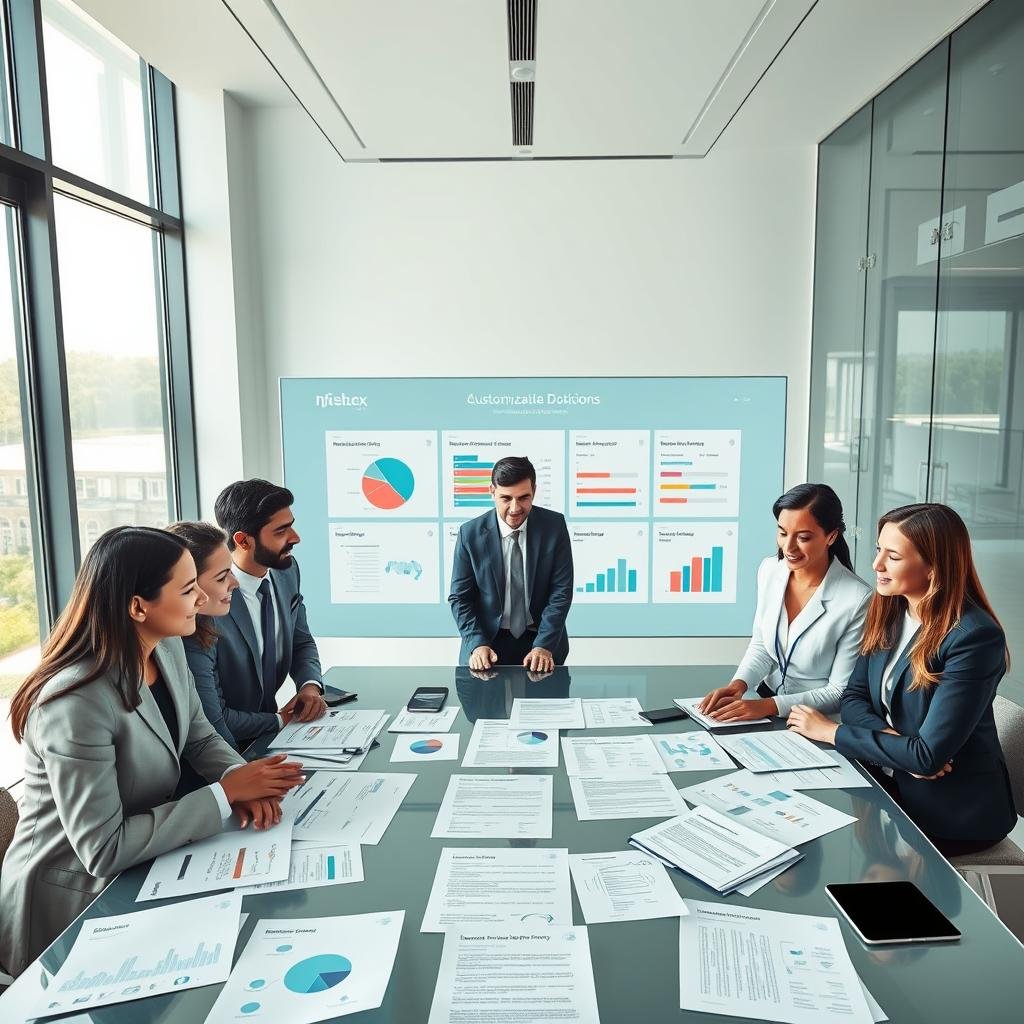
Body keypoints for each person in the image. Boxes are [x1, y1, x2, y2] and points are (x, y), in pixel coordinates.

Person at [0, 527, 304, 977]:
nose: (202, 599)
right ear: (138, 607)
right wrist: (225, 795)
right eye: (187, 589)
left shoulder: (168, 648)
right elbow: (103, 849)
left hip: (143, 867)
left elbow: (200, 736)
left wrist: (243, 782)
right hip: (73, 904)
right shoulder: (75, 702)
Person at [787, 503, 1016, 856]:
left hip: (952, 814)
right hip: (889, 784)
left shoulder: (974, 637)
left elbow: (926, 758)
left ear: (933, 567)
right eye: (879, 549)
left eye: (892, 556)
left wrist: (829, 731)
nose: (876, 564)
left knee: (817, 849)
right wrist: (901, 750)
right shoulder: (891, 610)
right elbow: (854, 699)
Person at [698, 483, 871, 722]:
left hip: (815, 719)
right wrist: (738, 685)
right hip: (765, 702)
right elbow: (762, 646)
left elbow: (840, 692)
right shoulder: (770, 570)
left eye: (803, 537)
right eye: (782, 533)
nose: (788, 547)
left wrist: (767, 706)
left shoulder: (857, 599)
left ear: (831, 536)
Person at [184, 479, 327, 750]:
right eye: (281, 531)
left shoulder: (287, 570)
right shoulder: (207, 603)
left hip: (272, 737)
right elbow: (212, 718)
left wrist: (309, 686)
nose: (295, 537)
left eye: (291, 525)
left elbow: (301, 640)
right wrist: (280, 720)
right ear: (243, 540)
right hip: (226, 746)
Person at [449, 456, 573, 673]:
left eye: (524, 497)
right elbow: (460, 598)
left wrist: (544, 645)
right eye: (506, 498)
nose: (515, 508)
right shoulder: (470, 534)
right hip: (487, 642)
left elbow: (561, 592)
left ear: (534, 491)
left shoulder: (554, 527)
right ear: (492, 491)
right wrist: (477, 643)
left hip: (541, 640)